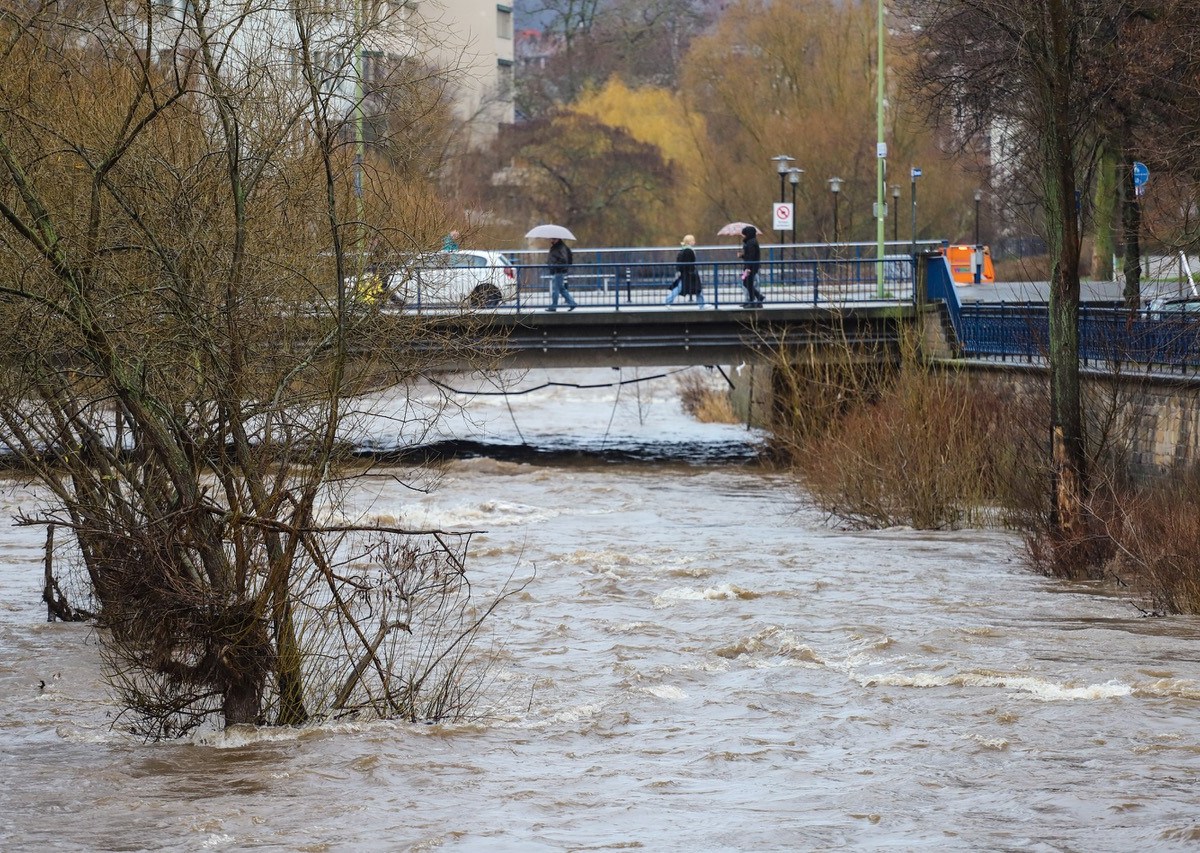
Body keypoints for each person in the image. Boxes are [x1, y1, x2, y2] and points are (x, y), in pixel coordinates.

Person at [665, 234, 705, 308]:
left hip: (685, 274)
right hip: (689, 274)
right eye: (693, 240)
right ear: (689, 242)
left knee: (681, 288)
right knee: (697, 289)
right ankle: (702, 305)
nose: (694, 242)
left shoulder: (683, 250)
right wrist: (692, 271)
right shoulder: (688, 251)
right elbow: (689, 263)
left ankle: (668, 301)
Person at [546, 236, 577, 311]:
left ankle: (554, 305)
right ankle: (572, 303)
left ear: (557, 239)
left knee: (555, 289)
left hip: (559, 270)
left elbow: (563, 260)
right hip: (557, 270)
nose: (551, 240)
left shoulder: (560, 247)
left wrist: (555, 265)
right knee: (561, 289)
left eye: (553, 239)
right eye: (551, 239)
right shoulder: (557, 247)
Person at [739, 225, 764, 308]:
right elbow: (749, 255)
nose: (744, 236)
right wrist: (742, 255)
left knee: (747, 283)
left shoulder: (751, 243)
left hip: (751, 267)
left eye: (745, 234)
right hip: (750, 266)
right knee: (747, 283)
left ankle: (753, 300)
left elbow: (751, 257)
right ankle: (757, 298)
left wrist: (748, 268)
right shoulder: (750, 242)